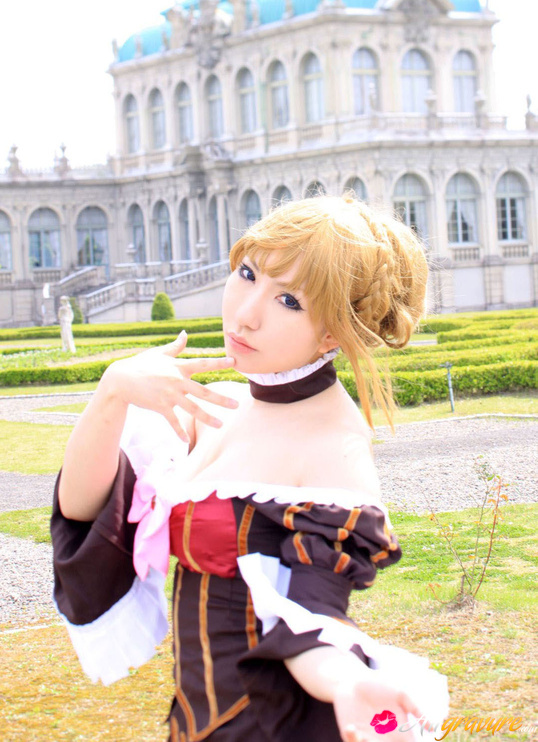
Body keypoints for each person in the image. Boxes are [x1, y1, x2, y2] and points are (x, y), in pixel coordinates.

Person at [51, 193, 449, 742]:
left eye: (289, 301)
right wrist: (112, 391)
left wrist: (347, 682)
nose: (245, 313)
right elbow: (83, 507)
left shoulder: (334, 447)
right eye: (248, 273)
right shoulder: (219, 406)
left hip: (269, 725)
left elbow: (312, 617)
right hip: (193, 719)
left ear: (334, 333)